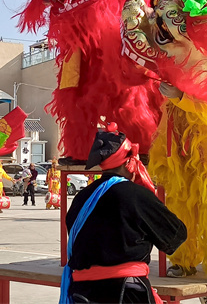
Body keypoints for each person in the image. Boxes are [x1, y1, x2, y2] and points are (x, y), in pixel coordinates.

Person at [61, 125, 187, 304]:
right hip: (125, 294)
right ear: (129, 161)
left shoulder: (81, 198)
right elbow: (176, 235)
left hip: (82, 294)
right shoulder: (135, 195)